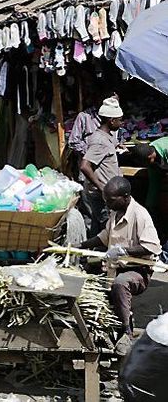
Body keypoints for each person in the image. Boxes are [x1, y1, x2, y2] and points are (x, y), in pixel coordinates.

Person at [79, 176, 160, 348]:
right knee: (89, 275)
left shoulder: (140, 215)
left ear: (125, 196)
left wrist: (124, 250)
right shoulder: (115, 212)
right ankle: (103, 329)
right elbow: (104, 237)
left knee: (120, 284)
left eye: (111, 200)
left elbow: (152, 247)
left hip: (138, 270)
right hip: (114, 267)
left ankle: (126, 334)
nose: (107, 204)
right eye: (106, 200)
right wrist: (81, 245)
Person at [80, 97, 125, 238]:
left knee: (99, 226)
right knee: (106, 228)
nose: (121, 123)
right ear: (112, 121)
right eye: (120, 120)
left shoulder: (106, 137)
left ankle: (92, 254)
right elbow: (85, 166)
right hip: (103, 194)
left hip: (107, 192)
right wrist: (102, 188)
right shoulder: (100, 141)